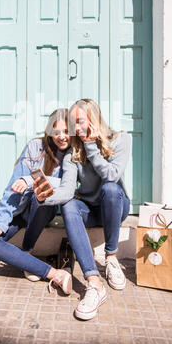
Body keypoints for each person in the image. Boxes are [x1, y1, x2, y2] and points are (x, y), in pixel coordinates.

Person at [40, 99, 132, 320]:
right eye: (74, 124)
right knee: (69, 204)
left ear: (94, 118)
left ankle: (111, 257)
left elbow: (111, 176)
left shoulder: (121, 139)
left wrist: (92, 146)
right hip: (90, 211)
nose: (77, 129)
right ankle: (94, 283)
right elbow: (67, 190)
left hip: (115, 206)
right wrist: (45, 198)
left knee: (110, 189)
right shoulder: (73, 153)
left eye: (80, 122)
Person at [0, 108, 72, 295]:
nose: (62, 137)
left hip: (42, 210)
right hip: (20, 212)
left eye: (66, 131)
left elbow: (65, 184)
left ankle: (28, 249)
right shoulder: (35, 147)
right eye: (56, 132)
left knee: (41, 196)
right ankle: (55, 273)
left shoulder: (73, 154)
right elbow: (12, 189)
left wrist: (30, 181)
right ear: (49, 132)